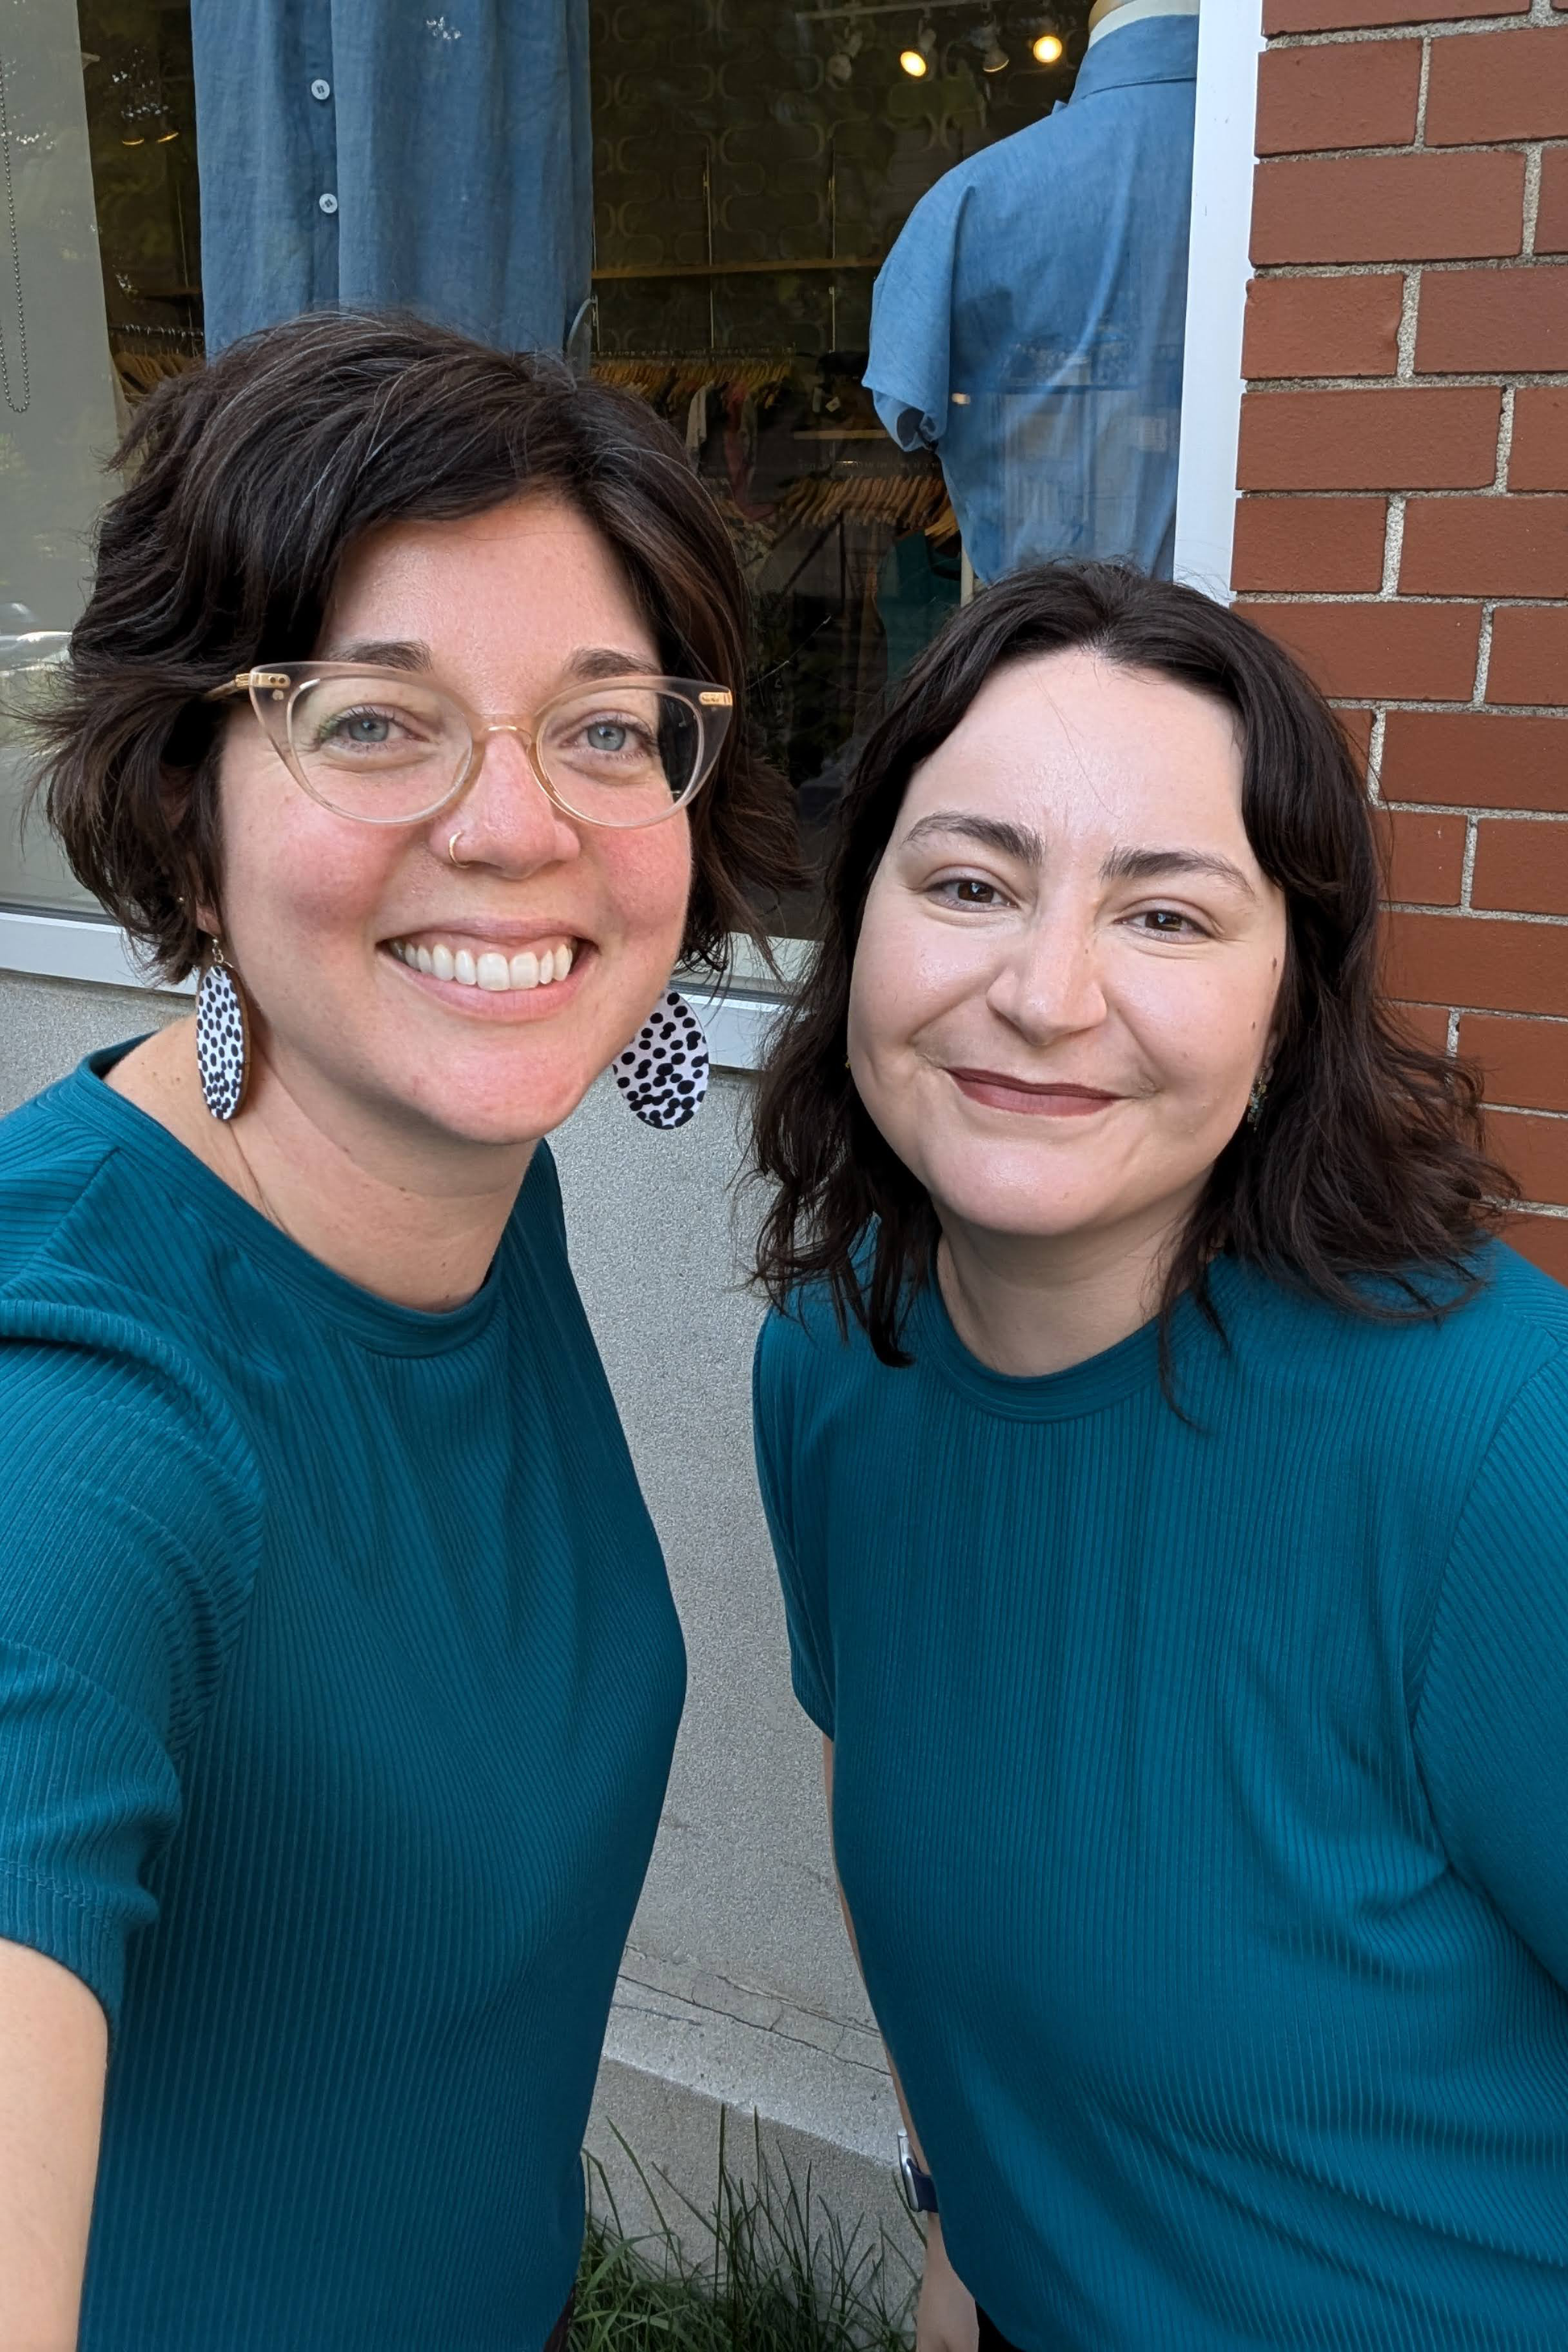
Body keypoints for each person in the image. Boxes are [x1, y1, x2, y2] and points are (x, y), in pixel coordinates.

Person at [0, 309, 791, 2352]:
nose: (519, 826)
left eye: (607, 724)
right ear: (185, 801)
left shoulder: (441, 1173)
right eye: (374, 719)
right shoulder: (79, 1414)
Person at [750, 561, 1568, 2350]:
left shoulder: (1497, 1450)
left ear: (1290, 1007)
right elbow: (891, 1811)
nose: (1045, 994)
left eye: (1169, 917)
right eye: (968, 883)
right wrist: (958, 2223)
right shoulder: (834, 1366)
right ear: (859, 921)